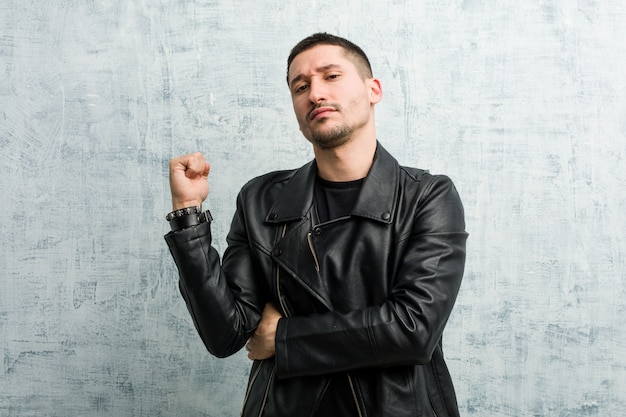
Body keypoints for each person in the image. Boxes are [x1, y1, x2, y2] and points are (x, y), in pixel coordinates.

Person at [164, 32, 467, 417]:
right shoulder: (261, 199)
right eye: (300, 86)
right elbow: (225, 335)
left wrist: (284, 337)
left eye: (331, 76)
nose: (315, 93)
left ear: (373, 89)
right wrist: (187, 213)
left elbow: (413, 329)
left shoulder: (428, 196)